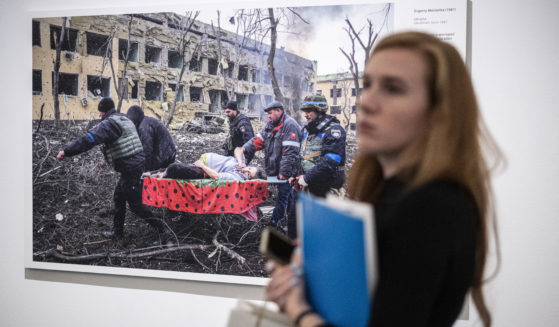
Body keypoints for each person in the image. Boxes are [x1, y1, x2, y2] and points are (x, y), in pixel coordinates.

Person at [266, 32, 501, 327]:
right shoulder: (391, 191)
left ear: (439, 110)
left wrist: (297, 306)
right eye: (369, 85)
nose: (367, 102)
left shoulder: (432, 208)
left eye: (393, 88)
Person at [56, 97, 173, 245]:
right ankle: (117, 232)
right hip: (133, 166)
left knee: (136, 206)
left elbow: (89, 139)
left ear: (104, 112)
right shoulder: (123, 119)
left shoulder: (109, 124)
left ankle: (164, 229)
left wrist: (67, 151)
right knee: (119, 196)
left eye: (100, 112)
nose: (99, 115)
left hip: (131, 168)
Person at [284, 94, 347, 238]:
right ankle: (296, 256)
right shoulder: (306, 131)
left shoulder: (334, 131)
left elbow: (331, 161)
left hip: (325, 188)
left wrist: (306, 177)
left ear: (319, 110)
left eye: (309, 110)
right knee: (294, 224)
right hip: (305, 187)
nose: (306, 114)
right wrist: (295, 175)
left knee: (322, 233)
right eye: (305, 111)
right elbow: (302, 156)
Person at [237, 100, 302, 228]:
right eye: (267, 113)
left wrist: (284, 173)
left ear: (279, 110)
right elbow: (258, 140)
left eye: (270, 113)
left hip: (289, 171)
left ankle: (275, 222)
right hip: (276, 169)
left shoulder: (290, 125)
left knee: (283, 196)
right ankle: (289, 221)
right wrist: (244, 149)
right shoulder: (269, 125)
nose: (268, 116)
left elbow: (290, 153)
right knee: (287, 196)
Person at [126, 105, 177, 171]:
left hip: (165, 155)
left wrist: (143, 169)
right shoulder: (145, 121)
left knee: (142, 170)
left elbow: (147, 150)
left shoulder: (144, 127)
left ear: (135, 120)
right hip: (167, 152)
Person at [159, 152, 266, 181]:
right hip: (203, 165)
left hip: (203, 172)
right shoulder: (241, 165)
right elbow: (238, 149)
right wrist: (239, 161)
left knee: (174, 167)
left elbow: (216, 176)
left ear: (248, 178)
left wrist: (202, 165)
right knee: (169, 168)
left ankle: (159, 177)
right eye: (249, 168)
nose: (246, 170)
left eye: (248, 174)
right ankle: (158, 174)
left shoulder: (237, 177)